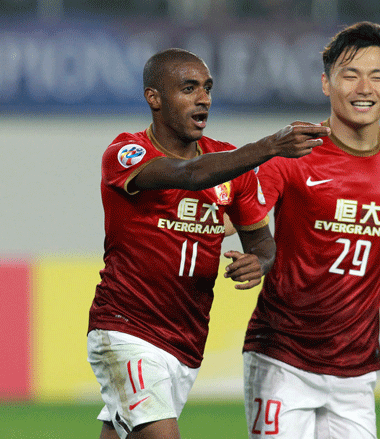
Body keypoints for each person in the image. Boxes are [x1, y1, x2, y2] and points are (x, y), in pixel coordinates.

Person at [86, 48, 330, 439]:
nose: (204, 98)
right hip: (126, 328)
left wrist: (260, 262)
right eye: (188, 88)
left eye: (207, 88)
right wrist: (268, 147)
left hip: (185, 339)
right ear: (155, 98)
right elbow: (189, 174)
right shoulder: (127, 153)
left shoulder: (231, 165)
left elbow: (262, 243)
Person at [241, 22, 380, 438]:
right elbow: (237, 214)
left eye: (377, 76)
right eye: (350, 75)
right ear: (325, 83)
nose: (364, 87)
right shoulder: (294, 153)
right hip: (282, 358)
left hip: (356, 369)